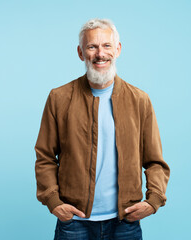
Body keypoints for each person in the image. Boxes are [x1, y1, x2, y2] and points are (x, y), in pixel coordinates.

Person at [34, 18, 170, 240]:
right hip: (74, 224)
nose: (100, 54)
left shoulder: (139, 100)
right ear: (80, 52)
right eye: (92, 46)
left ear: (117, 50)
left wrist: (153, 201)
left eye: (106, 45)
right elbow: (45, 156)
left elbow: (154, 160)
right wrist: (53, 201)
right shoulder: (59, 98)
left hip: (125, 223)